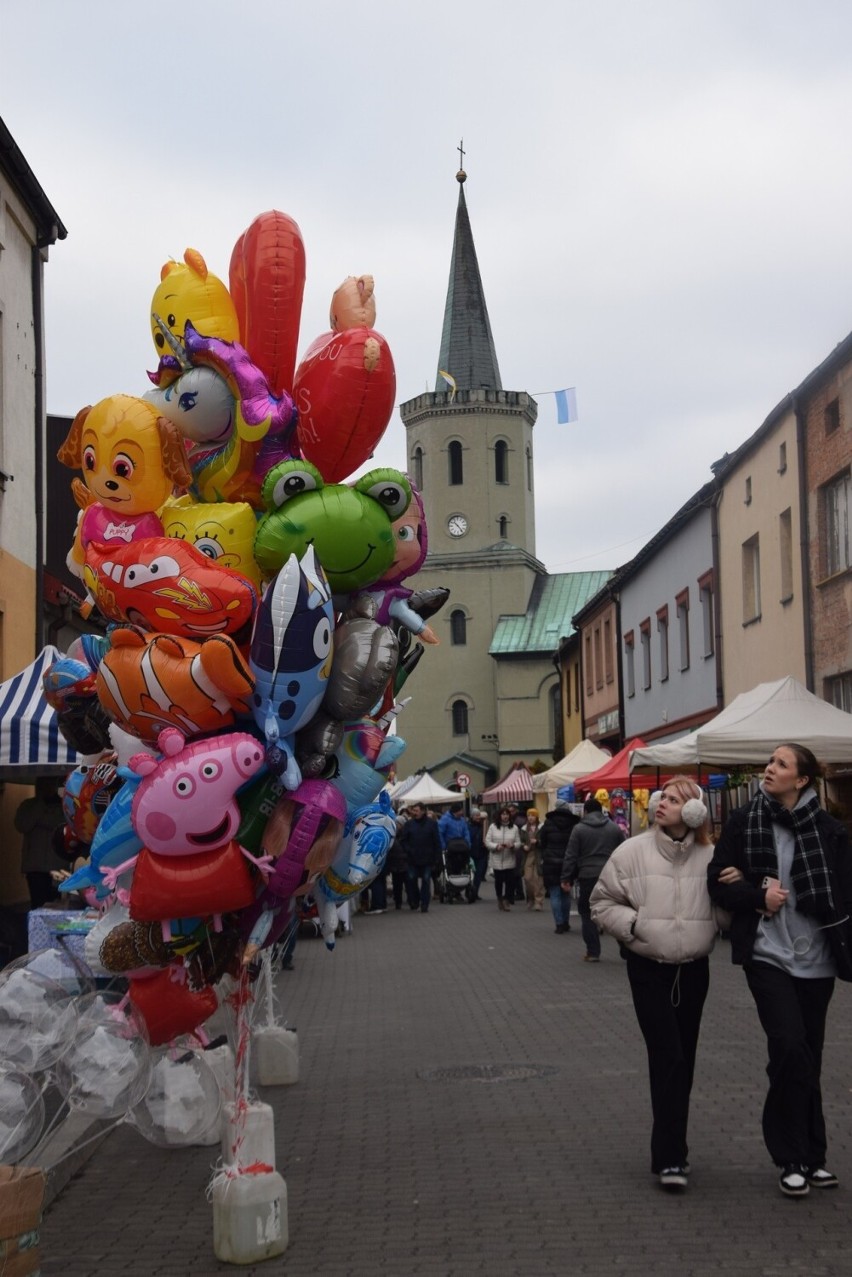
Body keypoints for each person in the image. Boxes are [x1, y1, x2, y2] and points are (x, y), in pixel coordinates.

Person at [707, 743, 852, 1198]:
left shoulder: (830, 831)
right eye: (770, 762)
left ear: (803, 780)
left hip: (817, 960)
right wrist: (755, 896)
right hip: (768, 953)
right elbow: (716, 881)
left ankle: (814, 1157)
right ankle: (789, 1157)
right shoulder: (745, 821)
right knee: (788, 1046)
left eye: (781, 764)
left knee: (807, 1055)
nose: (770, 769)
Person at [590, 777, 723, 1191]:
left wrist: (735, 905)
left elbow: (725, 909)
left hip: (695, 972)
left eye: (673, 798)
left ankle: (672, 1149)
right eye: (662, 797)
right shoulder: (631, 851)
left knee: (684, 1060)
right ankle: (670, 1159)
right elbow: (600, 902)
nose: (661, 803)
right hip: (648, 969)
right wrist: (634, 927)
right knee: (669, 1058)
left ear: (695, 811)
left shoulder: (712, 857)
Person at [561, 797, 626, 961]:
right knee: (614, 912)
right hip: (610, 875)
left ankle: (593, 952)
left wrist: (566, 877)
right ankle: (625, 948)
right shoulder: (614, 828)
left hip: (588, 876)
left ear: (586, 811)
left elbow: (571, 855)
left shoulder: (579, 829)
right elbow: (624, 852)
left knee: (587, 913)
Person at [14, 778, 66, 909]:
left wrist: (40, 821)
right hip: (35, 866)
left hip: (58, 866)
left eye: (50, 784)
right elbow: (22, 825)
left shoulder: (63, 806)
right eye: (43, 785)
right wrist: (40, 804)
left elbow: (60, 825)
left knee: (56, 905)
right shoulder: (28, 805)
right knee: (37, 904)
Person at [539, 800, 580, 933]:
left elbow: (542, 842)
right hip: (568, 862)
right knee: (566, 894)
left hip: (551, 862)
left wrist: (546, 854)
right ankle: (566, 922)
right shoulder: (574, 824)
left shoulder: (548, 823)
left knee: (555, 894)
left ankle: (559, 923)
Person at [400, 802, 441, 913]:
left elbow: (437, 841)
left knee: (426, 881)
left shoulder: (432, 824)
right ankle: (415, 900)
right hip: (412, 858)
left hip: (427, 858)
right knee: (412, 880)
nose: (414, 813)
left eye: (416, 810)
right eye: (413, 810)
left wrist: (437, 857)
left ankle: (424, 903)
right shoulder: (409, 824)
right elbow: (403, 840)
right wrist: (408, 850)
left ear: (423, 811)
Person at [485, 807, 522, 911]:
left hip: (509, 858)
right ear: (499, 816)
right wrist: (496, 846)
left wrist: (513, 845)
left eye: (507, 814)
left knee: (510, 881)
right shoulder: (493, 827)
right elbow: (487, 842)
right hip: (497, 859)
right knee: (499, 881)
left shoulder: (514, 827)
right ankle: (500, 898)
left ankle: (507, 899)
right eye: (503, 814)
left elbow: (518, 842)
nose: (505, 816)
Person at [521, 809, 545, 910]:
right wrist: (524, 846)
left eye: (533, 816)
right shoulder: (523, 829)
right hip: (528, 855)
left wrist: (538, 841)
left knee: (538, 879)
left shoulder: (542, 827)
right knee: (527, 878)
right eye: (529, 815)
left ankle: (538, 902)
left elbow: (545, 841)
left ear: (537, 817)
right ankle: (530, 898)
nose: (530, 818)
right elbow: (520, 840)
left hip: (539, 855)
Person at [467, 807, 488, 900]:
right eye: (476, 815)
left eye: (479, 815)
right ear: (472, 816)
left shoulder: (483, 825)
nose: (478, 817)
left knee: (478, 875)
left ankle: (475, 893)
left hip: (482, 853)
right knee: (471, 874)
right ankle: (470, 892)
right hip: (471, 853)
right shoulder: (468, 826)